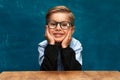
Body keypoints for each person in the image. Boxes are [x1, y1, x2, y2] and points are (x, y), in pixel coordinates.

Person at [38, 6, 83, 71]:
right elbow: (46, 73)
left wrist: (65, 47)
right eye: (53, 24)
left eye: (64, 25)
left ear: (72, 30)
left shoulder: (76, 45)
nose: (58, 28)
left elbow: (75, 72)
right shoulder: (42, 46)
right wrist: (51, 45)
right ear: (47, 29)